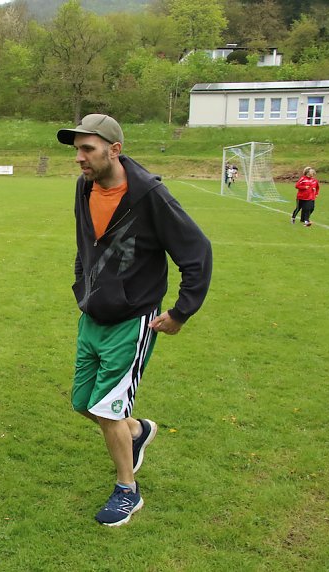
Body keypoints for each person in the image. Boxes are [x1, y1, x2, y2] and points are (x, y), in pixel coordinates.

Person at [56, 114, 212, 527]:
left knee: (106, 411)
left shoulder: (150, 196)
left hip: (132, 317)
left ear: (115, 150)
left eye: (87, 149)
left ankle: (128, 490)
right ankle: (137, 430)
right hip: (93, 313)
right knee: (81, 402)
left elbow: (196, 251)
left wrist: (181, 311)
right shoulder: (83, 187)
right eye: (77, 150)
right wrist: (81, 288)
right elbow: (84, 243)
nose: (80, 158)